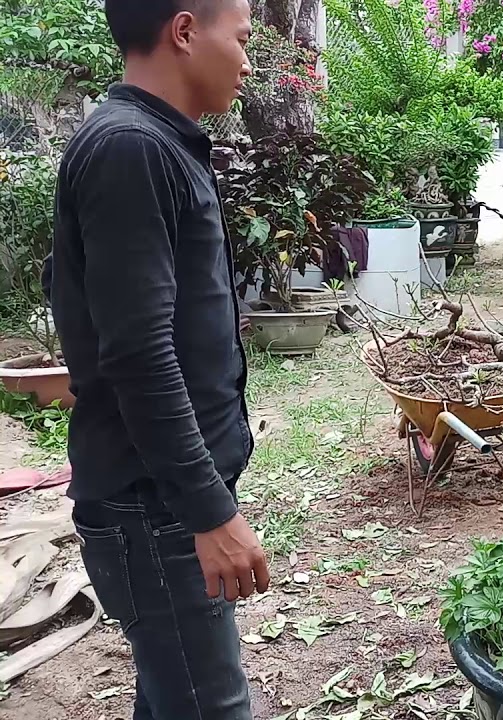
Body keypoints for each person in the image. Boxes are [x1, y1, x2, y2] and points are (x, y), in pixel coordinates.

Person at [48, 1, 267, 717]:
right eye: (239, 39)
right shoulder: (130, 150)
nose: (246, 60)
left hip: (163, 499)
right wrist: (208, 512)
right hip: (155, 506)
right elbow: (138, 353)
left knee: (176, 695)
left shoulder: (155, 144)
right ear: (183, 32)